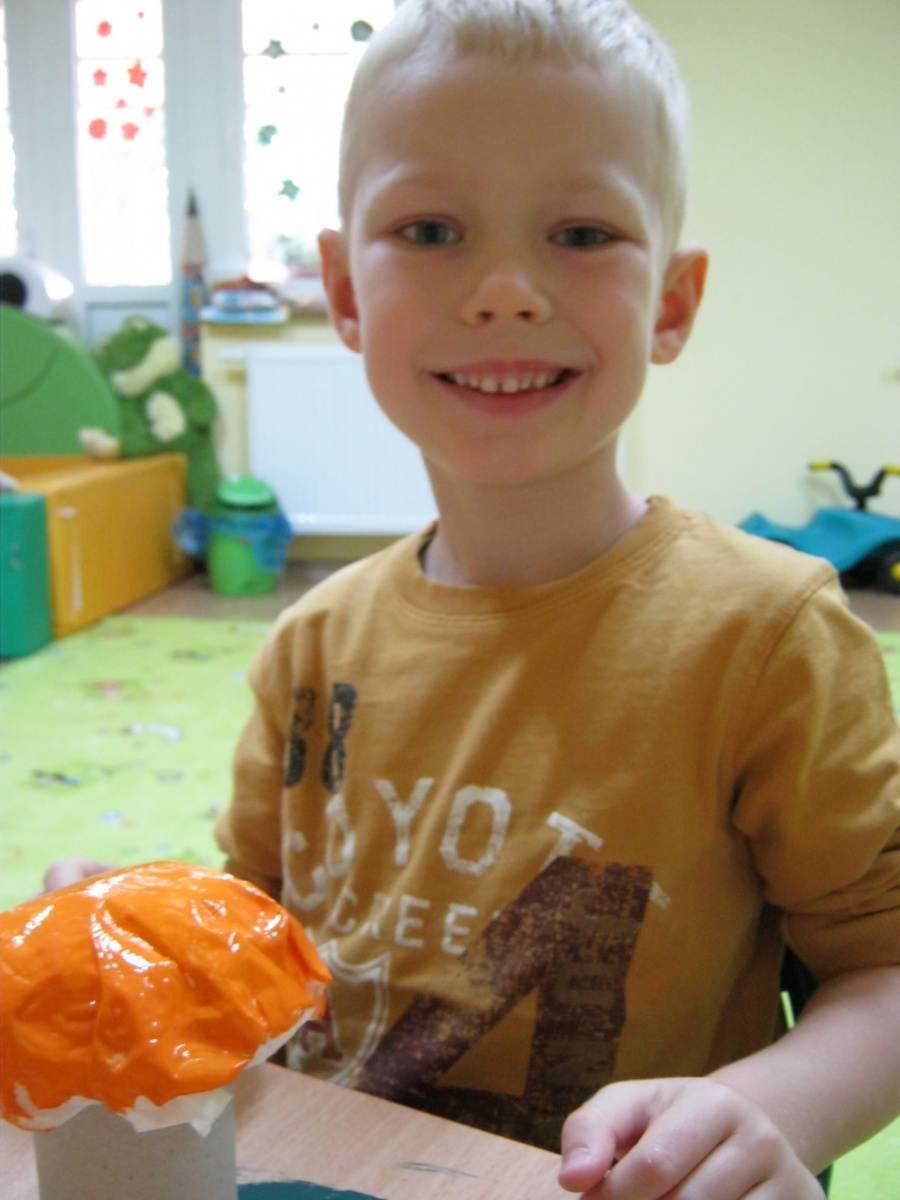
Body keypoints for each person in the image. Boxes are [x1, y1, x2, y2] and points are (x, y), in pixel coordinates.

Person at [47, 2, 899, 1196]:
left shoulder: (769, 638)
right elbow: (255, 937)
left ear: (671, 302)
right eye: (432, 229)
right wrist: (140, 927)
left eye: (582, 232)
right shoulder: (310, 645)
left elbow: (882, 969)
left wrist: (761, 1115)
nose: (504, 291)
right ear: (345, 291)